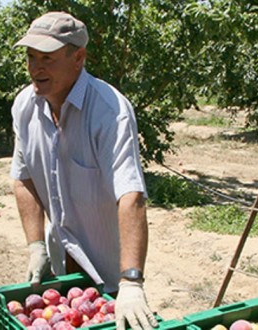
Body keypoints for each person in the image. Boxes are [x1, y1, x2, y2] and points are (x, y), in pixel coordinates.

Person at [10, 11, 158, 330]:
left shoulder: (109, 111)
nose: (36, 67)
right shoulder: (25, 107)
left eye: (47, 57)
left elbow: (131, 194)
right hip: (61, 264)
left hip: (109, 271)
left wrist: (132, 281)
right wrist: (36, 245)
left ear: (78, 57)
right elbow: (23, 178)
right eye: (31, 57)